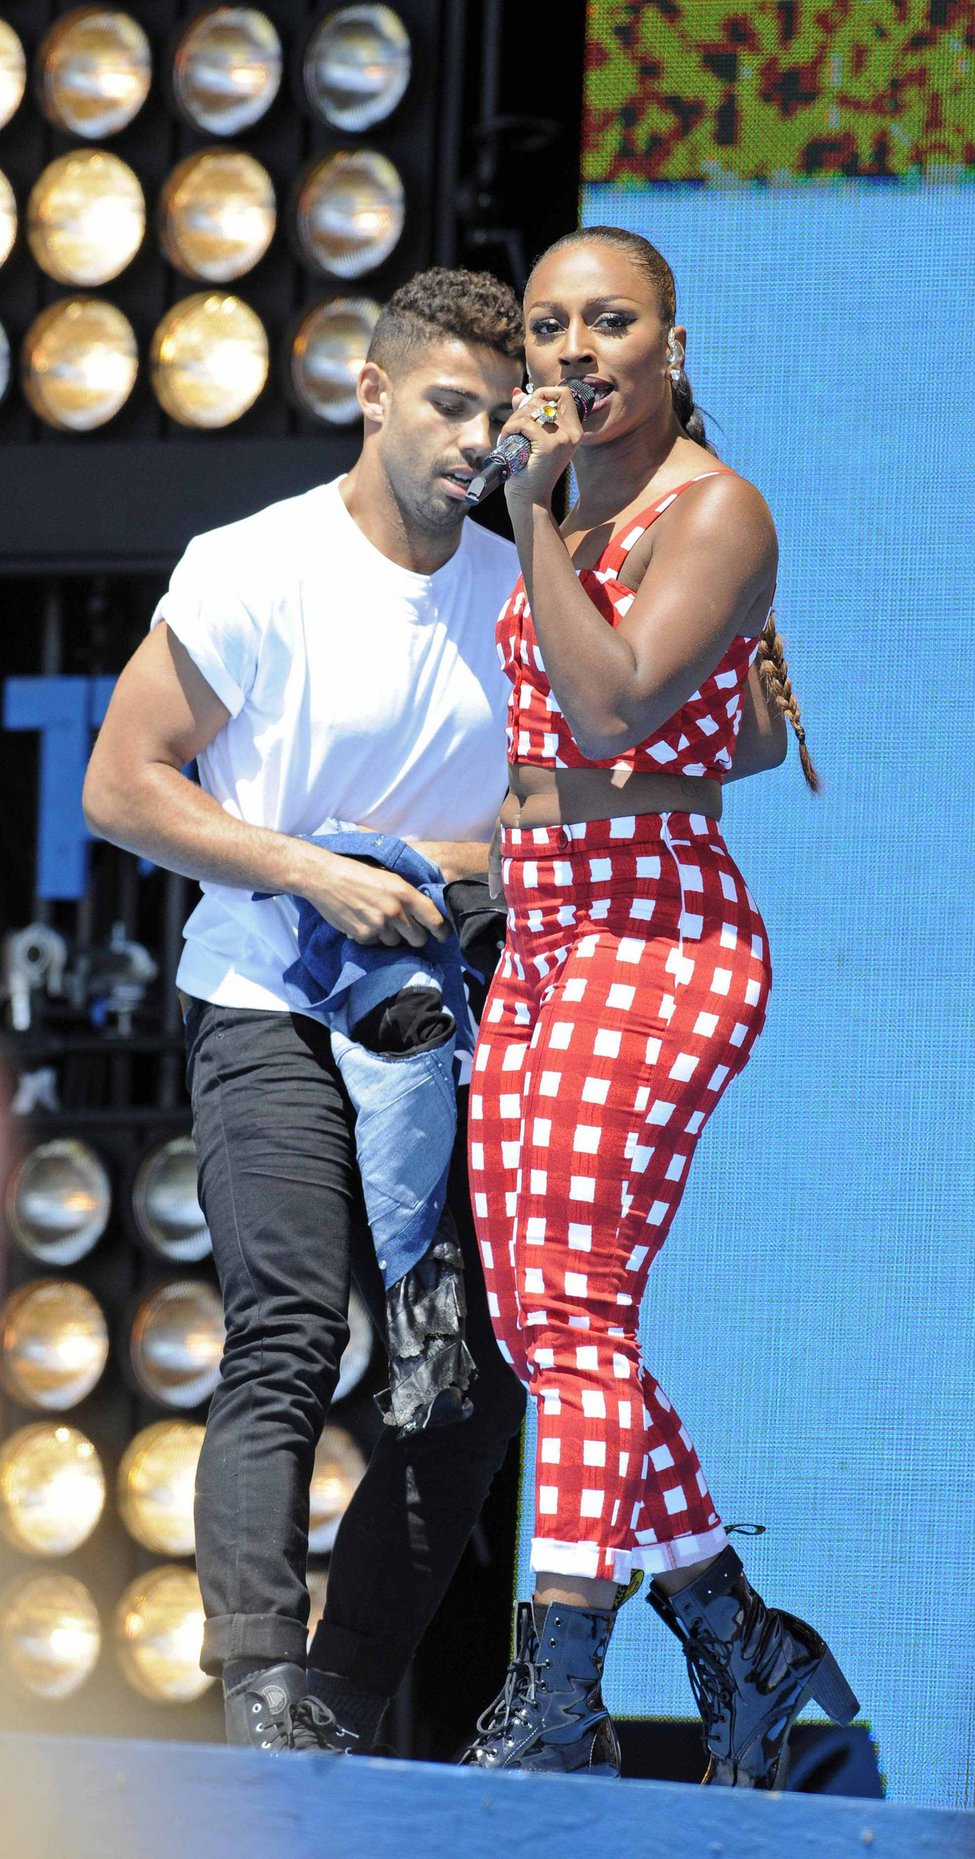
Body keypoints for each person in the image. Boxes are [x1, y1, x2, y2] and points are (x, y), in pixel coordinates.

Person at [82, 268, 529, 1753]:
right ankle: (260, 1674)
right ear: (374, 393)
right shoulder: (253, 565)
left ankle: (340, 1697)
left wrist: (425, 870)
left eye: (497, 413)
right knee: (284, 1328)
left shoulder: (522, 596)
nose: (476, 441)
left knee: (459, 1376)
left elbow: (551, 826)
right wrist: (308, 870)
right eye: (450, 407)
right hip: (267, 997)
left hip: (437, 1031)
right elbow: (123, 783)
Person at [461, 225, 858, 1785]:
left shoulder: (712, 507)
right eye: (549, 326)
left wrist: (531, 524)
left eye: (610, 321)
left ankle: (558, 1693)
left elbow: (618, 690)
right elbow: (736, 734)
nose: (575, 351)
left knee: (568, 1321)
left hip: (657, 940)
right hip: (547, 938)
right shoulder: (583, 511)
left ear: (672, 345)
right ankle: (730, 1630)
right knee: (549, 1320)